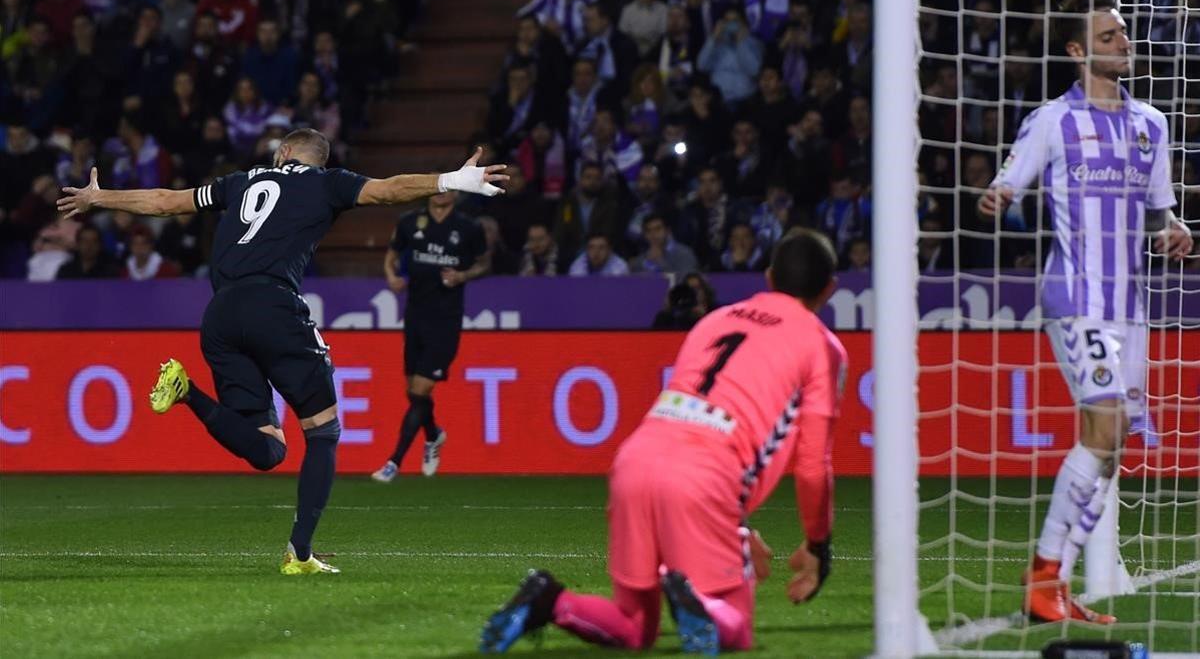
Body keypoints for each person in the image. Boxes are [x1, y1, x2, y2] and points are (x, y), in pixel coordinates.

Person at [56, 129, 507, 576]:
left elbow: (164, 202)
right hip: (273, 305)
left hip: (220, 315)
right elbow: (390, 190)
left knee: (268, 451)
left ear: (286, 152)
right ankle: (300, 554)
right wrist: (450, 180)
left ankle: (186, 391)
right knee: (324, 431)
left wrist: (100, 198)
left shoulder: (238, 181)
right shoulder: (327, 181)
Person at [480, 229, 846, 653]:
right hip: (706, 476)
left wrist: (736, 527)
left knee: (634, 628)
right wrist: (819, 544)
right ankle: (698, 602)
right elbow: (813, 466)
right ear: (830, 289)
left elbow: (699, 418)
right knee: (737, 631)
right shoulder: (821, 346)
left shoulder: (716, 319)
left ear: (768, 277)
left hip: (637, 458)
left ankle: (549, 599)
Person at [978, 0, 1193, 624]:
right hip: (1076, 297)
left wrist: (1173, 230)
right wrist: (999, 193)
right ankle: (1044, 577)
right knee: (1102, 426)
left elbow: (1158, 212)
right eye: (1107, 37)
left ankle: (1056, 579)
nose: (1123, 43)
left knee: (1113, 443)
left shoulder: (1152, 124)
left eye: (1123, 34)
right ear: (1077, 51)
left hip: (1130, 304)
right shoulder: (1053, 120)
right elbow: (1009, 179)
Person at [371, 191, 490, 482]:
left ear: (457, 193)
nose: (442, 193)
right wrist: (391, 275)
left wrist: (462, 276)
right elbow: (391, 255)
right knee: (412, 390)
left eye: (449, 187)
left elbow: (485, 262)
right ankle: (434, 434)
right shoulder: (410, 221)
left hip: (446, 319)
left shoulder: (468, 227)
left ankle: (394, 462)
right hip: (415, 315)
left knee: (421, 391)